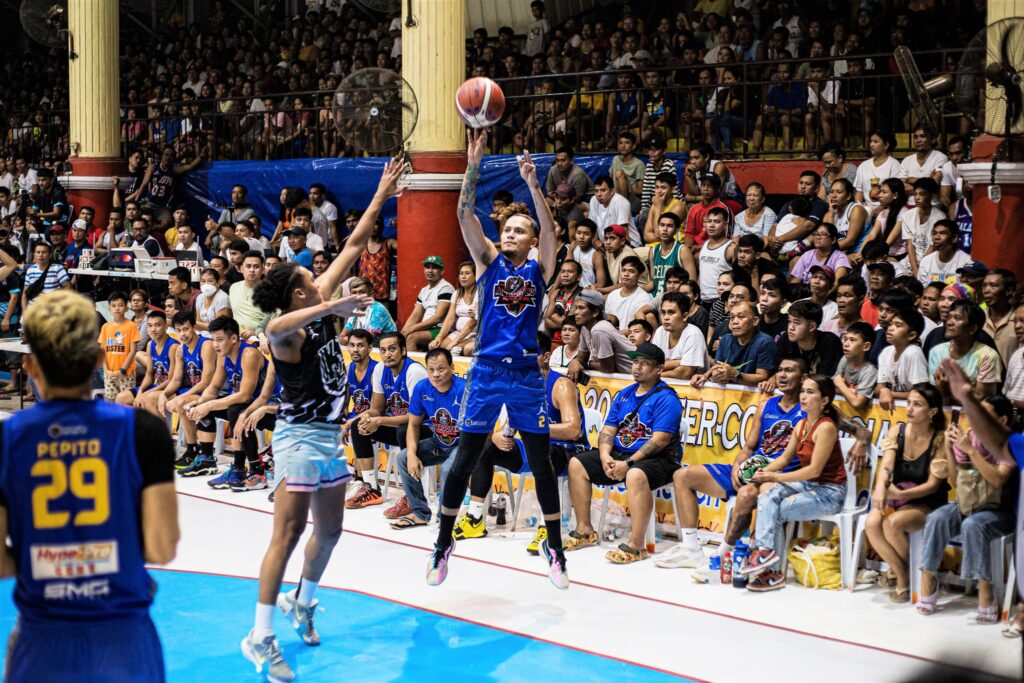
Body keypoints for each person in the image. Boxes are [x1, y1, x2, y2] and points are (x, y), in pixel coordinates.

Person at [240, 157, 403, 682]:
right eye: (312, 277)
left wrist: (381, 193)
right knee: (285, 536)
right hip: (296, 439)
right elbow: (277, 323)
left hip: (330, 440)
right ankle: (259, 636)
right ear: (298, 292)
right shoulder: (288, 331)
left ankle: (301, 603)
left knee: (330, 532)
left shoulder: (318, 300)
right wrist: (330, 309)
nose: (321, 275)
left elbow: (353, 244)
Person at [0, 290, 178, 682]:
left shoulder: (8, 440)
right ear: (99, 359)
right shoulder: (144, 431)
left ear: (29, 365)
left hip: (43, 636)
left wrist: (41, 558)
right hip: (123, 635)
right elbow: (162, 548)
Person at [427, 131, 569, 590]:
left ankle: (555, 547)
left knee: (541, 461)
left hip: (527, 373)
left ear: (530, 240)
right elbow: (464, 212)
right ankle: (443, 543)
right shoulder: (487, 263)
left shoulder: (538, 268)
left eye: (518, 229)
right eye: (506, 228)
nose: (510, 232)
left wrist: (531, 183)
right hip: (487, 371)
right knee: (465, 456)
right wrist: (474, 164)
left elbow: (551, 231)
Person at [662, 357, 808, 569]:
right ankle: (691, 548)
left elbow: (838, 423)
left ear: (803, 378)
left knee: (747, 493)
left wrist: (860, 435)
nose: (783, 375)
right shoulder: (765, 405)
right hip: (751, 468)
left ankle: (728, 553)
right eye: (780, 370)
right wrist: (738, 466)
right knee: (682, 476)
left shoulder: (809, 410)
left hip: (777, 477)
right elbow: (748, 447)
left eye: (790, 371)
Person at [453, 331, 588, 553]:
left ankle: (548, 527)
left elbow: (573, 430)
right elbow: (509, 425)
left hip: (568, 451)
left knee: (547, 454)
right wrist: (498, 436)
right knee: (485, 449)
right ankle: (476, 517)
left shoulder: (561, 385)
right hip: (535, 446)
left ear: (545, 357)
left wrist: (531, 426)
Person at [564, 343, 682, 564]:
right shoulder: (625, 394)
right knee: (577, 464)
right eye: (636, 362)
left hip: (660, 460)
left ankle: (637, 545)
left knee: (635, 475)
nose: (637, 367)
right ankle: (585, 530)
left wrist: (627, 464)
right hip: (620, 454)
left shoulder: (667, 398)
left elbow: (660, 441)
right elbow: (608, 430)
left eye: (645, 363)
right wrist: (605, 457)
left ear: (659, 369)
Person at [740, 375, 848, 592]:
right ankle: (765, 553)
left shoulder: (825, 427)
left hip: (830, 492)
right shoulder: (801, 424)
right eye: (803, 391)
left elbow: (814, 470)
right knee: (768, 495)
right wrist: (762, 471)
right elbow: (784, 459)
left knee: (777, 507)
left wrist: (776, 477)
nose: (803, 396)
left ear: (824, 400)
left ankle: (772, 570)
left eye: (810, 392)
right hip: (809, 486)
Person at [918, 390, 1016, 621]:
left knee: (973, 525)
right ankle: (928, 578)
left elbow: (998, 479)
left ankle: (985, 591)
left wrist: (971, 451)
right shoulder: (969, 437)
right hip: (966, 502)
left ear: (1001, 420)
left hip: (1000, 510)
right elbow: (955, 480)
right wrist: (952, 450)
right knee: (937, 518)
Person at [865, 384, 950, 603]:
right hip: (898, 494)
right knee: (872, 522)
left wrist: (894, 493)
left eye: (917, 404)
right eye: (909, 402)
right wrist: (881, 487)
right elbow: (887, 466)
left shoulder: (940, 440)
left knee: (892, 524)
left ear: (932, 411)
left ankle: (903, 578)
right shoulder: (898, 431)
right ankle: (903, 572)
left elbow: (932, 486)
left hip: (928, 501)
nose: (909, 408)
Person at [385, 348, 466, 529]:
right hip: (439, 443)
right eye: (431, 369)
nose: (435, 374)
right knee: (404, 458)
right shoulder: (423, 387)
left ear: (452, 367)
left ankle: (445, 518)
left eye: (441, 369)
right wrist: (413, 455)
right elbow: (413, 425)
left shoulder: (464, 389)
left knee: (447, 469)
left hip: (464, 445)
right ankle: (420, 513)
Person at [346, 332, 429, 509]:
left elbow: (416, 418)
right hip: (398, 426)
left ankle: (412, 494)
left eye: (392, 349)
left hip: (424, 428)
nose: (387, 354)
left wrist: (380, 421)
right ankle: (370, 487)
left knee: (403, 430)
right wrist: (367, 418)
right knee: (358, 425)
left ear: (404, 350)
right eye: (383, 350)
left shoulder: (415, 371)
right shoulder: (380, 370)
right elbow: (377, 409)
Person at [161, 311, 218, 469]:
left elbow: (207, 382)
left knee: (179, 403)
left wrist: (180, 398)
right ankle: (172, 448)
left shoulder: (206, 345)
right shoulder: (181, 348)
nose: (182, 334)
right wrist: (163, 394)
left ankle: (193, 450)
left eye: (185, 329)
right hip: (195, 391)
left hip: (212, 392)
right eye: (178, 330)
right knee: (160, 401)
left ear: (194, 328)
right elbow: (177, 379)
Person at [929, 299, 1002, 402]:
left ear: (972, 328)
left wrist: (949, 389)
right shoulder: (937, 351)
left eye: (957, 318)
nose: (949, 322)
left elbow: (984, 399)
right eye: (949, 317)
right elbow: (934, 396)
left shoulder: (987, 355)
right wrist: (943, 391)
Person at [693, 302, 777, 388]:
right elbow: (717, 366)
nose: (735, 322)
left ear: (755, 321)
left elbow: (763, 377)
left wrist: (735, 375)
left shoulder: (765, 342)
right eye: (732, 317)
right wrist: (706, 376)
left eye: (741, 317)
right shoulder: (725, 340)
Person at [120, 310, 179, 414]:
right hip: (158, 386)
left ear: (165, 326)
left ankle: (158, 430)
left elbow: (172, 379)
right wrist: (141, 391)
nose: (153, 329)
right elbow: (149, 373)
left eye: (157, 325)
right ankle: (136, 428)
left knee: (147, 399)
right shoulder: (150, 344)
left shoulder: (173, 347)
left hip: (172, 388)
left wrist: (148, 392)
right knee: (121, 398)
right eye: (150, 326)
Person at [775, 300, 843, 377]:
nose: (791, 327)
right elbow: (777, 371)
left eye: (796, 323)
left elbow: (825, 378)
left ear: (812, 327)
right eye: (789, 321)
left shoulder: (830, 342)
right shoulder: (785, 339)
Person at [402, 255, 454, 352]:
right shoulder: (424, 290)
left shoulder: (445, 288)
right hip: (427, 329)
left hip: (440, 329)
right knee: (402, 337)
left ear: (442, 271)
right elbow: (414, 315)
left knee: (411, 337)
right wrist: (403, 332)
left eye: (434, 267)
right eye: (427, 267)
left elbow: (438, 317)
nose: (430, 270)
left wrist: (412, 328)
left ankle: (413, 366)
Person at [653, 292, 708, 380]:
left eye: (671, 312)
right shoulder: (660, 331)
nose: (665, 317)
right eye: (663, 312)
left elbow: (685, 373)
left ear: (685, 316)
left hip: (691, 390)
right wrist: (677, 363)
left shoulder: (693, 334)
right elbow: (652, 365)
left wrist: (655, 375)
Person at [99, 290, 142, 400]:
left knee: (126, 401)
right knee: (111, 399)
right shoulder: (105, 327)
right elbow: (102, 350)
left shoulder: (131, 326)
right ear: (109, 308)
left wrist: (122, 370)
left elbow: (132, 351)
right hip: (110, 373)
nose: (117, 308)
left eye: (121, 305)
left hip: (126, 373)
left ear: (126, 308)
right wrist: (106, 370)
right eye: (113, 306)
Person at [429, 262, 477, 355]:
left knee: (457, 349)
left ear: (475, 276)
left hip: (476, 334)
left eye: (467, 273)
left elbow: (473, 322)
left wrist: (455, 341)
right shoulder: (456, 293)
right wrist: (439, 337)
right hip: (458, 332)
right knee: (439, 349)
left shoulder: (480, 293)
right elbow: (450, 318)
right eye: (461, 273)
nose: (463, 276)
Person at [646, 212, 697, 297]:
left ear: (676, 230)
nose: (665, 229)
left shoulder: (682, 250)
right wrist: (636, 290)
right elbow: (653, 281)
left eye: (669, 226)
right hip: (656, 297)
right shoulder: (653, 251)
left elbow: (692, 281)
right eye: (662, 225)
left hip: (674, 299)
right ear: (658, 228)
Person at [696, 207, 736, 307]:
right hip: (703, 301)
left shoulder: (731, 247)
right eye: (709, 221)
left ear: (725, 225)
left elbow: (739, 276)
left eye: (717, 221)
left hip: (722, 301)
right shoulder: (705, 245)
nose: (712, 225)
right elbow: (701, 274)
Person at [833, 321, 877, 410]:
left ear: (866, 346)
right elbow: (832, 388)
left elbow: (857, 403)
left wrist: (840, 384)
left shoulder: (870, 371)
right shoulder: (845, 360)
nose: (846, 344)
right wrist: (852, 391)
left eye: (852, 340)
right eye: (845, 339)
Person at [604, 256, 654, 331]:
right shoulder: (612, 295)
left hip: (632, 337)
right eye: (623, 270)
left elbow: (640, 327)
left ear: (639, 276)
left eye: (631, 271)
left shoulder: (643, 297)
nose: (626, 274)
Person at [982, 268, 1020, 368]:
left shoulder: (1019, 320)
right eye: (984, 286)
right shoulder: (977, 318)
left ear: (1009, 291)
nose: (986, 290)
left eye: (993, 285)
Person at [916, 220, 970, 286]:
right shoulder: (926, 262)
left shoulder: (966, 263)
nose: (937, 237)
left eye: (942, 233)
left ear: (954, 238)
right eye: (934, 233)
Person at [544, 260, 582, 342]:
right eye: (563, 271)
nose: (565, 275)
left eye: (570, 271)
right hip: (555, 339)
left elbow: (575, 324)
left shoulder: (582, 294)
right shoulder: (556, 293)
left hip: (574, 341)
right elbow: (547, 322)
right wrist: (564, 322)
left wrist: (555, 318)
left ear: (579, 276)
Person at [821, 273, 865, 337]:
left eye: (847, 296)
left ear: (861, 300)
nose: (841, 300)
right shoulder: (827, 327)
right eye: (839, 296)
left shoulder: (865, 331)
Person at [570, 220, 605, 289]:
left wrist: (584, 290)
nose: (581, 237)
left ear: (593, 236)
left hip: (589, 292)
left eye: (586, 234)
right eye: (578, 233)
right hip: (573, 289)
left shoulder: (596, 255)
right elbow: (565, 267)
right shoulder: (574, 245)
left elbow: (601, 284)